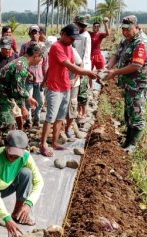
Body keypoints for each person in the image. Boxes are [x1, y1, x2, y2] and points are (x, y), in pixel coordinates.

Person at [40, 24, 97, 157]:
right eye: (71, 38)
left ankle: (54, 142)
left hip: (65, 86)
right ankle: (43, 145)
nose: (72, 41)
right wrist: (88, 73)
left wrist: (75, 78)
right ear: (63, 34)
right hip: (55, 87)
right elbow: (71, 67)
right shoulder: (56, 47)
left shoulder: (69, 48)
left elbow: (75, 65)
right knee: (50, 117)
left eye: (74, 39)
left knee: (60, 117)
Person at [105, 15, 147, 154]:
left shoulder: (141, 42)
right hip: (128, 84)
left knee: (137, 114)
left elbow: (136, 65)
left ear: (136, 27)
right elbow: (117, 55)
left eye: (128, 29)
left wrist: (114, 72)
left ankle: (133, 144)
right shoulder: (126, 41)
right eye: (123, 29)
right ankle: (128, 140)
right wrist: (108, 66)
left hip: (139, 84)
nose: (125, 32)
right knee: (128, 113)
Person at [0, 43, 43, 134]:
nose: (41, 60)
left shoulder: (21, 62)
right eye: (41, 57)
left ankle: (8, 145)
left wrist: (28, 97)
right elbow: (17, 90)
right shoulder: (21, 67)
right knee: (9, 127)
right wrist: (23, 108)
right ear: (36, 56)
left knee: (10, 127)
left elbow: (19, 86)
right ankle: (8, 146)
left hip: (3, 97)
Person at [65, 15, 92, 137]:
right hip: (80, 68)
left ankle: (81, 116)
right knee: (78, 96)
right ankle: (78, 117)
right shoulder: (83, 36)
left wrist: (77, 74)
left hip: (81, 68)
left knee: (80, 96)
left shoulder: (83, 37)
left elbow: (79, 58)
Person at [20, 25, 45, 128]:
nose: (34, 35)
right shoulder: (25, 46)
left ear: (39, 34)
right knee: (28, 100)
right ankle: (28, 121)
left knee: (40, 101)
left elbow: (45, 63)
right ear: (29, 34)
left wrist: (45, 79)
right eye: (32, 33)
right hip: (28, 78)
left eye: (36, 32)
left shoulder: (43, 47)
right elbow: (21, 61)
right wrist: (26, 73)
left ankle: (37, 119)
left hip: (40, 78)